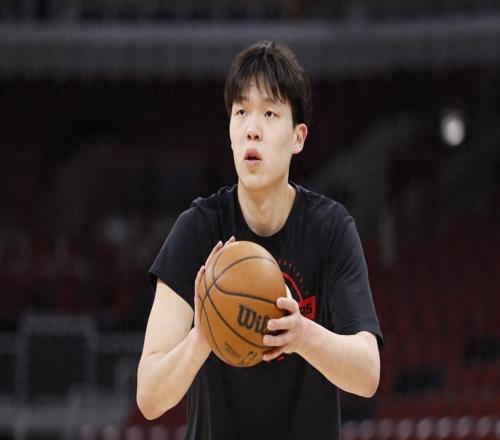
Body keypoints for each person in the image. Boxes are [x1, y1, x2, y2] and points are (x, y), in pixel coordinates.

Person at [137, 40, 383, 440]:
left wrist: (302, 334)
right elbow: (149, 396)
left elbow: (368, 373)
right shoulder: (197, 229)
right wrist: (203, 336)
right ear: (230, 132)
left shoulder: (331, 229)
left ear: (298, 137)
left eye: (269, 113)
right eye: (241, 112)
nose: (252, 128)